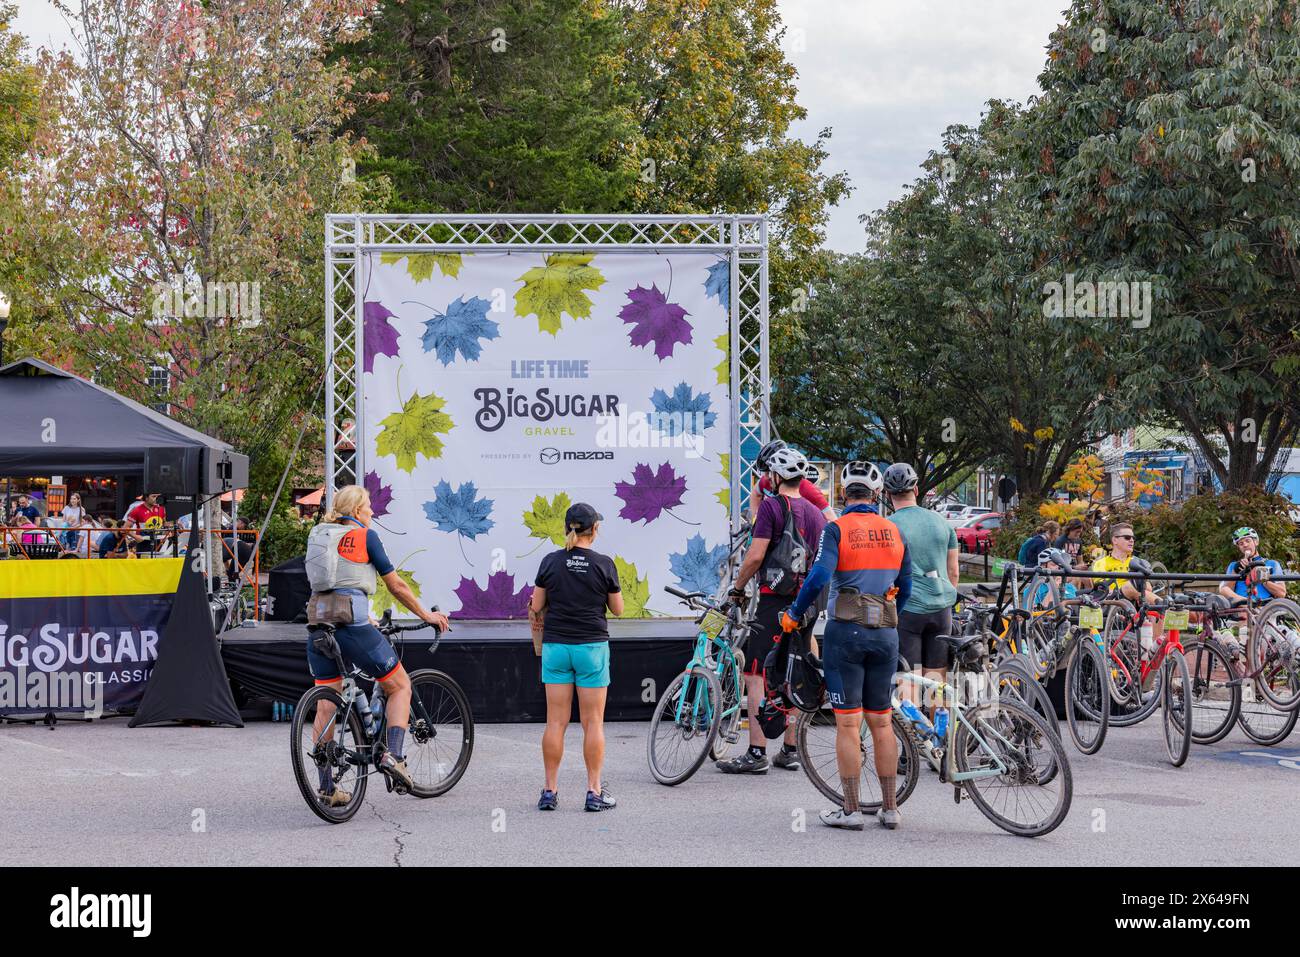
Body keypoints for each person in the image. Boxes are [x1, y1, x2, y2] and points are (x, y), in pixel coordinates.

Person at [304, 485, 451, 806]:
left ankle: (327, 788)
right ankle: (394, 757)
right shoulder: (365, 537)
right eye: (368, 507)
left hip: (318, 625)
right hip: (353, 629)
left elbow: (335, 581)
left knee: (326, 706)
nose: (372, 512)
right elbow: (395, 584)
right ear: (357, 511)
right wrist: (427, 614)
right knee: (399, 686)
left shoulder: (320, 535)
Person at [784, 461, 911, 830]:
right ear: (876, 495)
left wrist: (794, 612)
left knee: (848, 725)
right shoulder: (894, 529)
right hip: (886, 633)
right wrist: (890, 614)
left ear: (843, 493)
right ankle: (890, 810)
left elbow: (819, 576)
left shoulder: (836, 529)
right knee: (882, 722)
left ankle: (852, 811)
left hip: (845, 633)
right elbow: (908, 584)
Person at [720, 446, 827, 774]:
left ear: (777, 477)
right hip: (805, 603)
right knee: (795, 670)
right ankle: (790, 750)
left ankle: (756, 752)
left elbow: (755, 555)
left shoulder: (772, 506)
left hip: (773, 600)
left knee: (755, 673)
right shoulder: (815, 512)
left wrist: (737, 588)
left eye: (770, 474)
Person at [529, 503, 623, 812]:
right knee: (592, 722)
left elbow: (537, 604)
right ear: (594, 529)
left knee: (555, 722)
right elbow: (618, 609)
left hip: (556, 647)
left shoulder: (550, 561)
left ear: (567, 528)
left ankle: (549, 791)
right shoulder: (604, 564)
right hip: (591, 648)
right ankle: (594, 792)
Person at [883, 463, 959, 752]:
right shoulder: (942, 522)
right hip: (942, 608)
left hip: (908, 609)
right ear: (916, 490)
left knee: (909, 679)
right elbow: (953, 571)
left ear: (889, 495)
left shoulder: (890, 525)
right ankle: (940, 738)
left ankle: (912, 748)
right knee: (936, 676)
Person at [1091, 522, 1162, 642]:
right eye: (1127, 537)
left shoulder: (1137, 561)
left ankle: (1155, 646)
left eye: (1133, 538)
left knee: (1158, 601)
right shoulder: (1101, 563)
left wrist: (1139, 586)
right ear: (1115, 540)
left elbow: (1148, 587)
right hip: (1112, 599)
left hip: (1136, 598)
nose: (1132, 541)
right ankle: (1160, 605)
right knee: (1131, 587)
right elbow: (1102, 588)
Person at [747, 439, 836, 520]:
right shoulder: (766, 481)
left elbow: (832, 519)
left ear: (780, 471)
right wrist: (755, 520)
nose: (766, 477)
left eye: (769, 472)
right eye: (764, 473)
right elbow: (755, 494)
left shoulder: (807, 488)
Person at [1218, 527, 1285, 605]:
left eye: (1248, 541)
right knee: (1222, 587)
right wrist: (1235, 572)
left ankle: (1249, 603)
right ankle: (1246, 601)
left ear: (1256, 542)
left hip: (1263, 607)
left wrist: (1262, 579)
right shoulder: (1234, 566)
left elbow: (1281, 593)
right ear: (1239, 547)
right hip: (1241, 608)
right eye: (1241, 543)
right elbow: (1226, 590)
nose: (1245, 545)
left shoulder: (1272, 564)